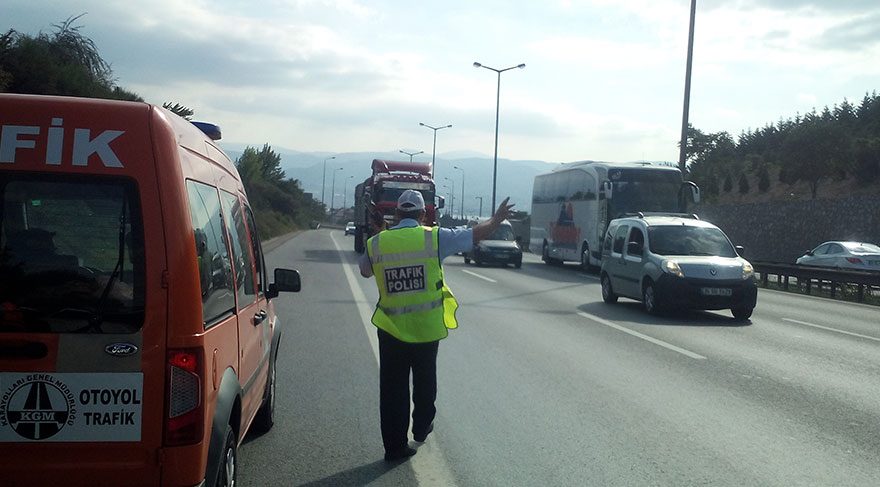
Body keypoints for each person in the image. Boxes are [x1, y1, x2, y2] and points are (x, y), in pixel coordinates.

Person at [359, 189, 514, 462]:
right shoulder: (434, 237)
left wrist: (380, 232)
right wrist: (498, 219)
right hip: (426, 329)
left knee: (393, 389)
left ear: (396, 214)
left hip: (391, 329)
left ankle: (394, 448)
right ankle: (421, 427)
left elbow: (365, 270)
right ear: (422, 214)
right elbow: (474, 234)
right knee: (425, 381)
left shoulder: (378, 242)